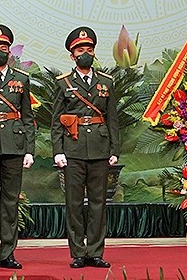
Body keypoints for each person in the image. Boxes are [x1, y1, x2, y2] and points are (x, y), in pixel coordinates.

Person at [51, 27, 119, 269]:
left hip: (100, 149)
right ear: (72, 55)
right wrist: (58, 151)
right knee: (74, 203)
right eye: (80, 50)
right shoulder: (63, 84)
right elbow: (56, 121)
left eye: (89, 50)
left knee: (99, 202)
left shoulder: (106, 82)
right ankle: (78, 251)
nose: (85, 53)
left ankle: (96, 252)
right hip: (73, 149)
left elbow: (112, 119)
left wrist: (114, 150)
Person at [0, 24, 35, 270]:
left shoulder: (21, 79)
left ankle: (8, 253)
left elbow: (27, 116)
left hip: (14, 144)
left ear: (10, 51)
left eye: (3, 47)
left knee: (10, 202)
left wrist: (29, 150)